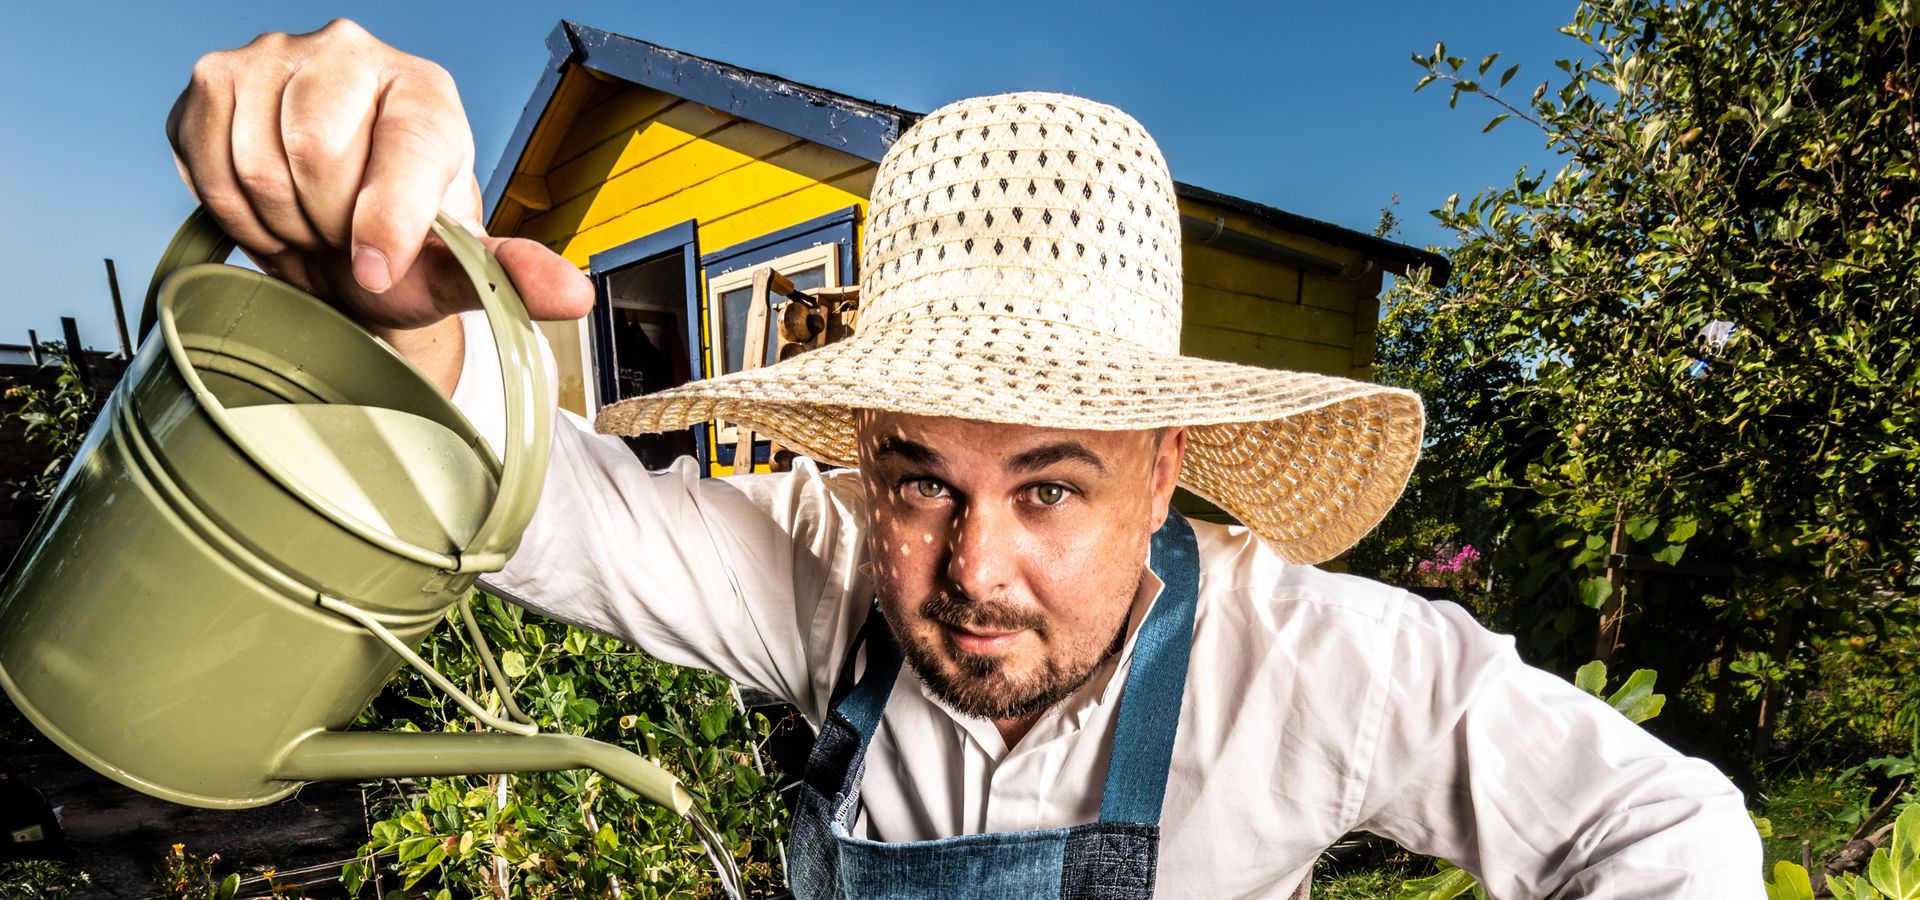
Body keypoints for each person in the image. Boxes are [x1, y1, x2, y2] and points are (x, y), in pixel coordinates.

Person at [170, 20, 1764, 898]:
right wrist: (388, 323)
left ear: (1166, 469)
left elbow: (1670, 833)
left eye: (1052, 487)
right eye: (921, 480)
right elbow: (531, 494)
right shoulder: (821, 576)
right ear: (863, 461)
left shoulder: (1320, 665)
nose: (969, 571)